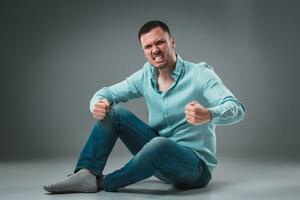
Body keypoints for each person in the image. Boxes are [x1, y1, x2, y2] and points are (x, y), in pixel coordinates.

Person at [43, 20, 245, 193]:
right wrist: (95, 104)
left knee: (159, 144)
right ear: (144, 52)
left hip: (195, 169)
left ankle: (102, 182)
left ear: (172, 43)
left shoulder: (200, 74)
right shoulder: (145, 76)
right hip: (159, 161)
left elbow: (236, 108)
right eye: (148, 46)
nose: (155, 50)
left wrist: (208, 114)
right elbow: (107, 93)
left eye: (160, 42)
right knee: (114, 112)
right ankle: (86, 172)